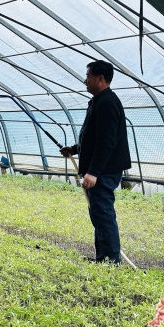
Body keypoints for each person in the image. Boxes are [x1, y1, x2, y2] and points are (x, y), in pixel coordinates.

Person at [60, 60, 131, 264]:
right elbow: (93, 137)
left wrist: (93, 172)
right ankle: (104, 257)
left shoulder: (107, 102)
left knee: (103, 212)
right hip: (101, 168)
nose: (85, 81)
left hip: (105, 170)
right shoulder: (99, 101)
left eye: (88, 76)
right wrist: (75, 149)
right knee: (98, 212)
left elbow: (106, 143)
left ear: (100, 79)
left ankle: (110, 261)